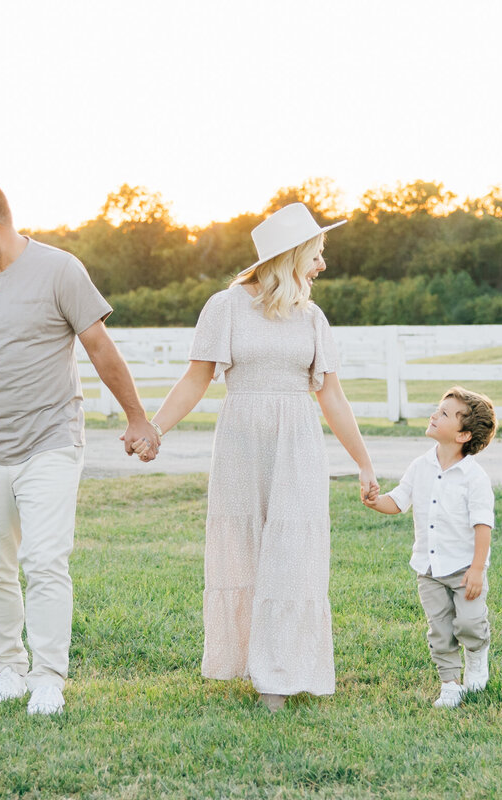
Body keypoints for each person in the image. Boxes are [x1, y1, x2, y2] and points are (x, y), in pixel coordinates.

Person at [0, 175, 159, 716]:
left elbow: (99, 346)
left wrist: (137, 417)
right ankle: (7, 667)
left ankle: (47, 677)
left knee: (44, 560)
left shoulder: (60, 269)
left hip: (51, 438)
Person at [136, 202, 379, 711]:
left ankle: (281, 675)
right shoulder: (223, 307)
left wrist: (363, 461)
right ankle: (245, 660)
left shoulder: (312, 317)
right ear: (291, 255)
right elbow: (196, 378)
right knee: (244, 549)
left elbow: (331, 395)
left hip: (298, 440)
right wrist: (155, 428)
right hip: (241, 440)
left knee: (293, 554)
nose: (322, 265)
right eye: (316, 254)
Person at [363, 386, 497, 709]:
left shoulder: (474, 478)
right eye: (438, 409)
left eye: (445, 414)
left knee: (467, 622)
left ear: (463, 435)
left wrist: (477, 569)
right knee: (439, 628)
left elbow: (483, 526)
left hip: (465, 568)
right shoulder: (420, 466)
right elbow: (398, 501)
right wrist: (375, 501)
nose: (435, 415)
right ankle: (450, 683)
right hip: (428, 568)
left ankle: (477, 654)